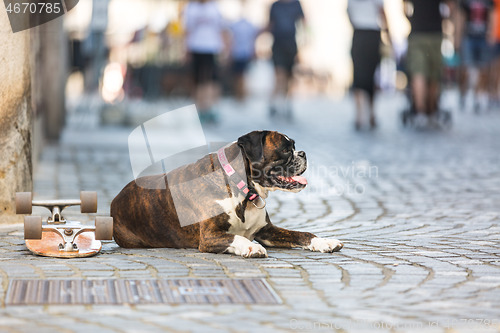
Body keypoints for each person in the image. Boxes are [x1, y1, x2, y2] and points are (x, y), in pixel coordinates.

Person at [404, 0, 452, 126]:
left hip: (418, 32)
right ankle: (431, 111)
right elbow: (450, 6)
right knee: (433, 74)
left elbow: (404, 7)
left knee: (418, 72)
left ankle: (421, 112)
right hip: (435, 32)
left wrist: (411, 19)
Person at [347, 0, 390, 130]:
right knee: (371, 75)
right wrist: (388, 34)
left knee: (359, 75)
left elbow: (348, 13)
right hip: (372, 35)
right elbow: (383, 14)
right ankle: (371, 114)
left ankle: (359, 116)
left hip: (359, 35)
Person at [183, 0, 227, 122]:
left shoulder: (215, 7)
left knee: (212, 80)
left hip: (212, 48)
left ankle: (211, 107)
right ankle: (199, 108)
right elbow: (187, 30)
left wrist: (225, 48)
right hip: (196, 47)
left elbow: (221, 29)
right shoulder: (191, 8)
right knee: (198, 80)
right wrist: (186, 49)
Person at [268, 0, 305, 119]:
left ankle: (288, 103)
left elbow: (303, 23)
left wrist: (304, 44)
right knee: (279, 75)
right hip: (278, 45)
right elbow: (271, 24)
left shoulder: (296, 4)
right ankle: (274, 103)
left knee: (290, 77)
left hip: (292, 45)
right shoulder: (275, 6)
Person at [457, 0, 494, 113]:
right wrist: (457, 36)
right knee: (467, 69)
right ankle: (463, 94)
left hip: (483, 37)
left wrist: (491, 33)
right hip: (468, 37)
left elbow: (492, 15)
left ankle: (477, 97)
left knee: (482, 69)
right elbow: (461, 17)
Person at [230, 16, 258, 101]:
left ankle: (241, 95)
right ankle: (239, 95)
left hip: (244, 53)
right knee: (239, 76)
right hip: (238, 53)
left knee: (242, 76)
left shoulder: (249, 25)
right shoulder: (236, 25)